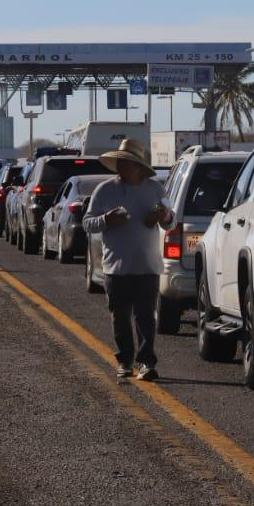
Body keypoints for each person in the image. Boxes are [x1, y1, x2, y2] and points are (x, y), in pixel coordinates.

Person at [82, 138, 173, 381]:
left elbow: (170, 220)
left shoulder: (155, 189)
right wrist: (106, 220)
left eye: (128, 163)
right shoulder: (105, 190)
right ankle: (124, 361)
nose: (122, 167)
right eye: (120, 162)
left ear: (139, 167)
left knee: (146, 317)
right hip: (116, 267)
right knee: (120, 316)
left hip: (147, 266)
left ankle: (147, 363)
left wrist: (162, 216)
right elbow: (87, 223)